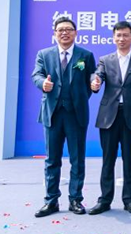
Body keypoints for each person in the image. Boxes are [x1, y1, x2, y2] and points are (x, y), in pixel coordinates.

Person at [31, 16, 98, 218]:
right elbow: (36, 75)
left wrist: (94, 84)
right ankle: (51, 201)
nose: (64, 33)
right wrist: (43, 84)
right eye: (60, 30)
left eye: (68, 29)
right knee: (52, 159)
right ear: (54, 34)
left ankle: (75, 199)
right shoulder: (44, 54)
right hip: (52, 113)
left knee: (77, 159)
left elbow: (92, 77)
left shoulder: (85, 55)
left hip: (76, 114)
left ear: (75, 33)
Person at [88, 21, 131, 215]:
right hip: (109, 116)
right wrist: (95, 82)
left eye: (125, 35)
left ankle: (130, 200)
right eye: (118, 35)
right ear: (113, 38)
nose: (121, 39)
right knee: (108, 159)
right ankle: (104, 200)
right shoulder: (105, 60)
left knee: (129, 160)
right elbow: (97, 75)